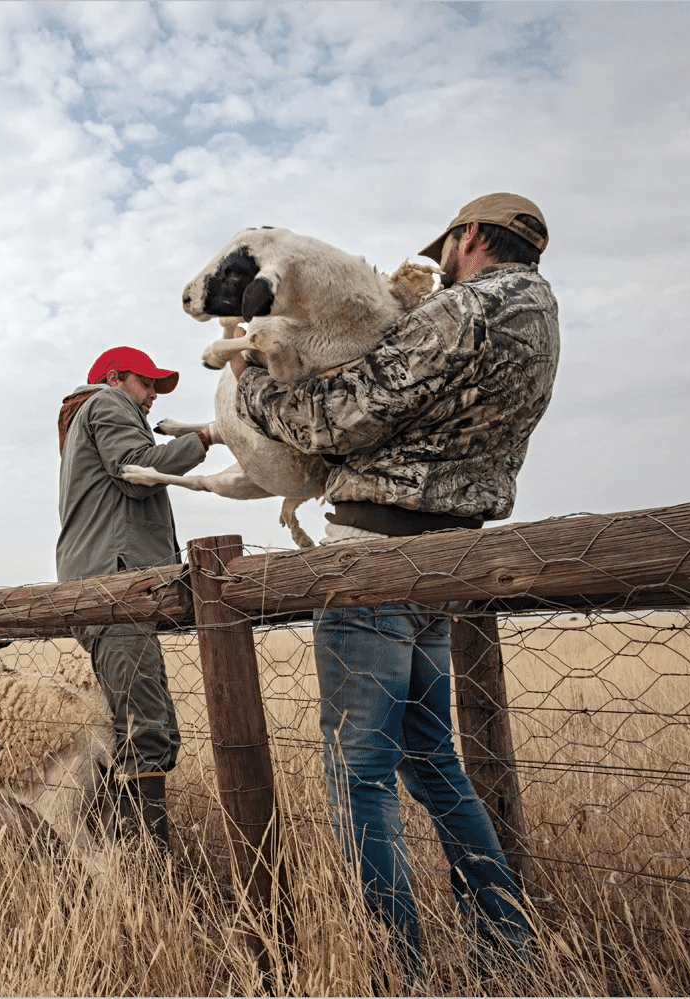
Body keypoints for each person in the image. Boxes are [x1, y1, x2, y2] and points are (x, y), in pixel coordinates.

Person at [233, 193, 557, 971]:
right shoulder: (541, 319)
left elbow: (342, 414)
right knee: (434, 761)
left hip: (373, 561)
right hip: (446, 567)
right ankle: (507, 947)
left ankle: (393, 967)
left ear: (471, 234)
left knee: (359, 775)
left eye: (447, 242)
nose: (439, 258)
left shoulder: (466, 308)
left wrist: (251, 385)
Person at [56, 345, 211, 852]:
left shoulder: (92, 415)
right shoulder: (106, 405)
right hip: (114, 586)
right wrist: (206, 436)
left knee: (147, 724)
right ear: (116, 377)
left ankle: (117, 842)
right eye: (147, 384)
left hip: (109, 584)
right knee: (145, 727)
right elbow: (138, 472)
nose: (151, 397)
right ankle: (145, 861)